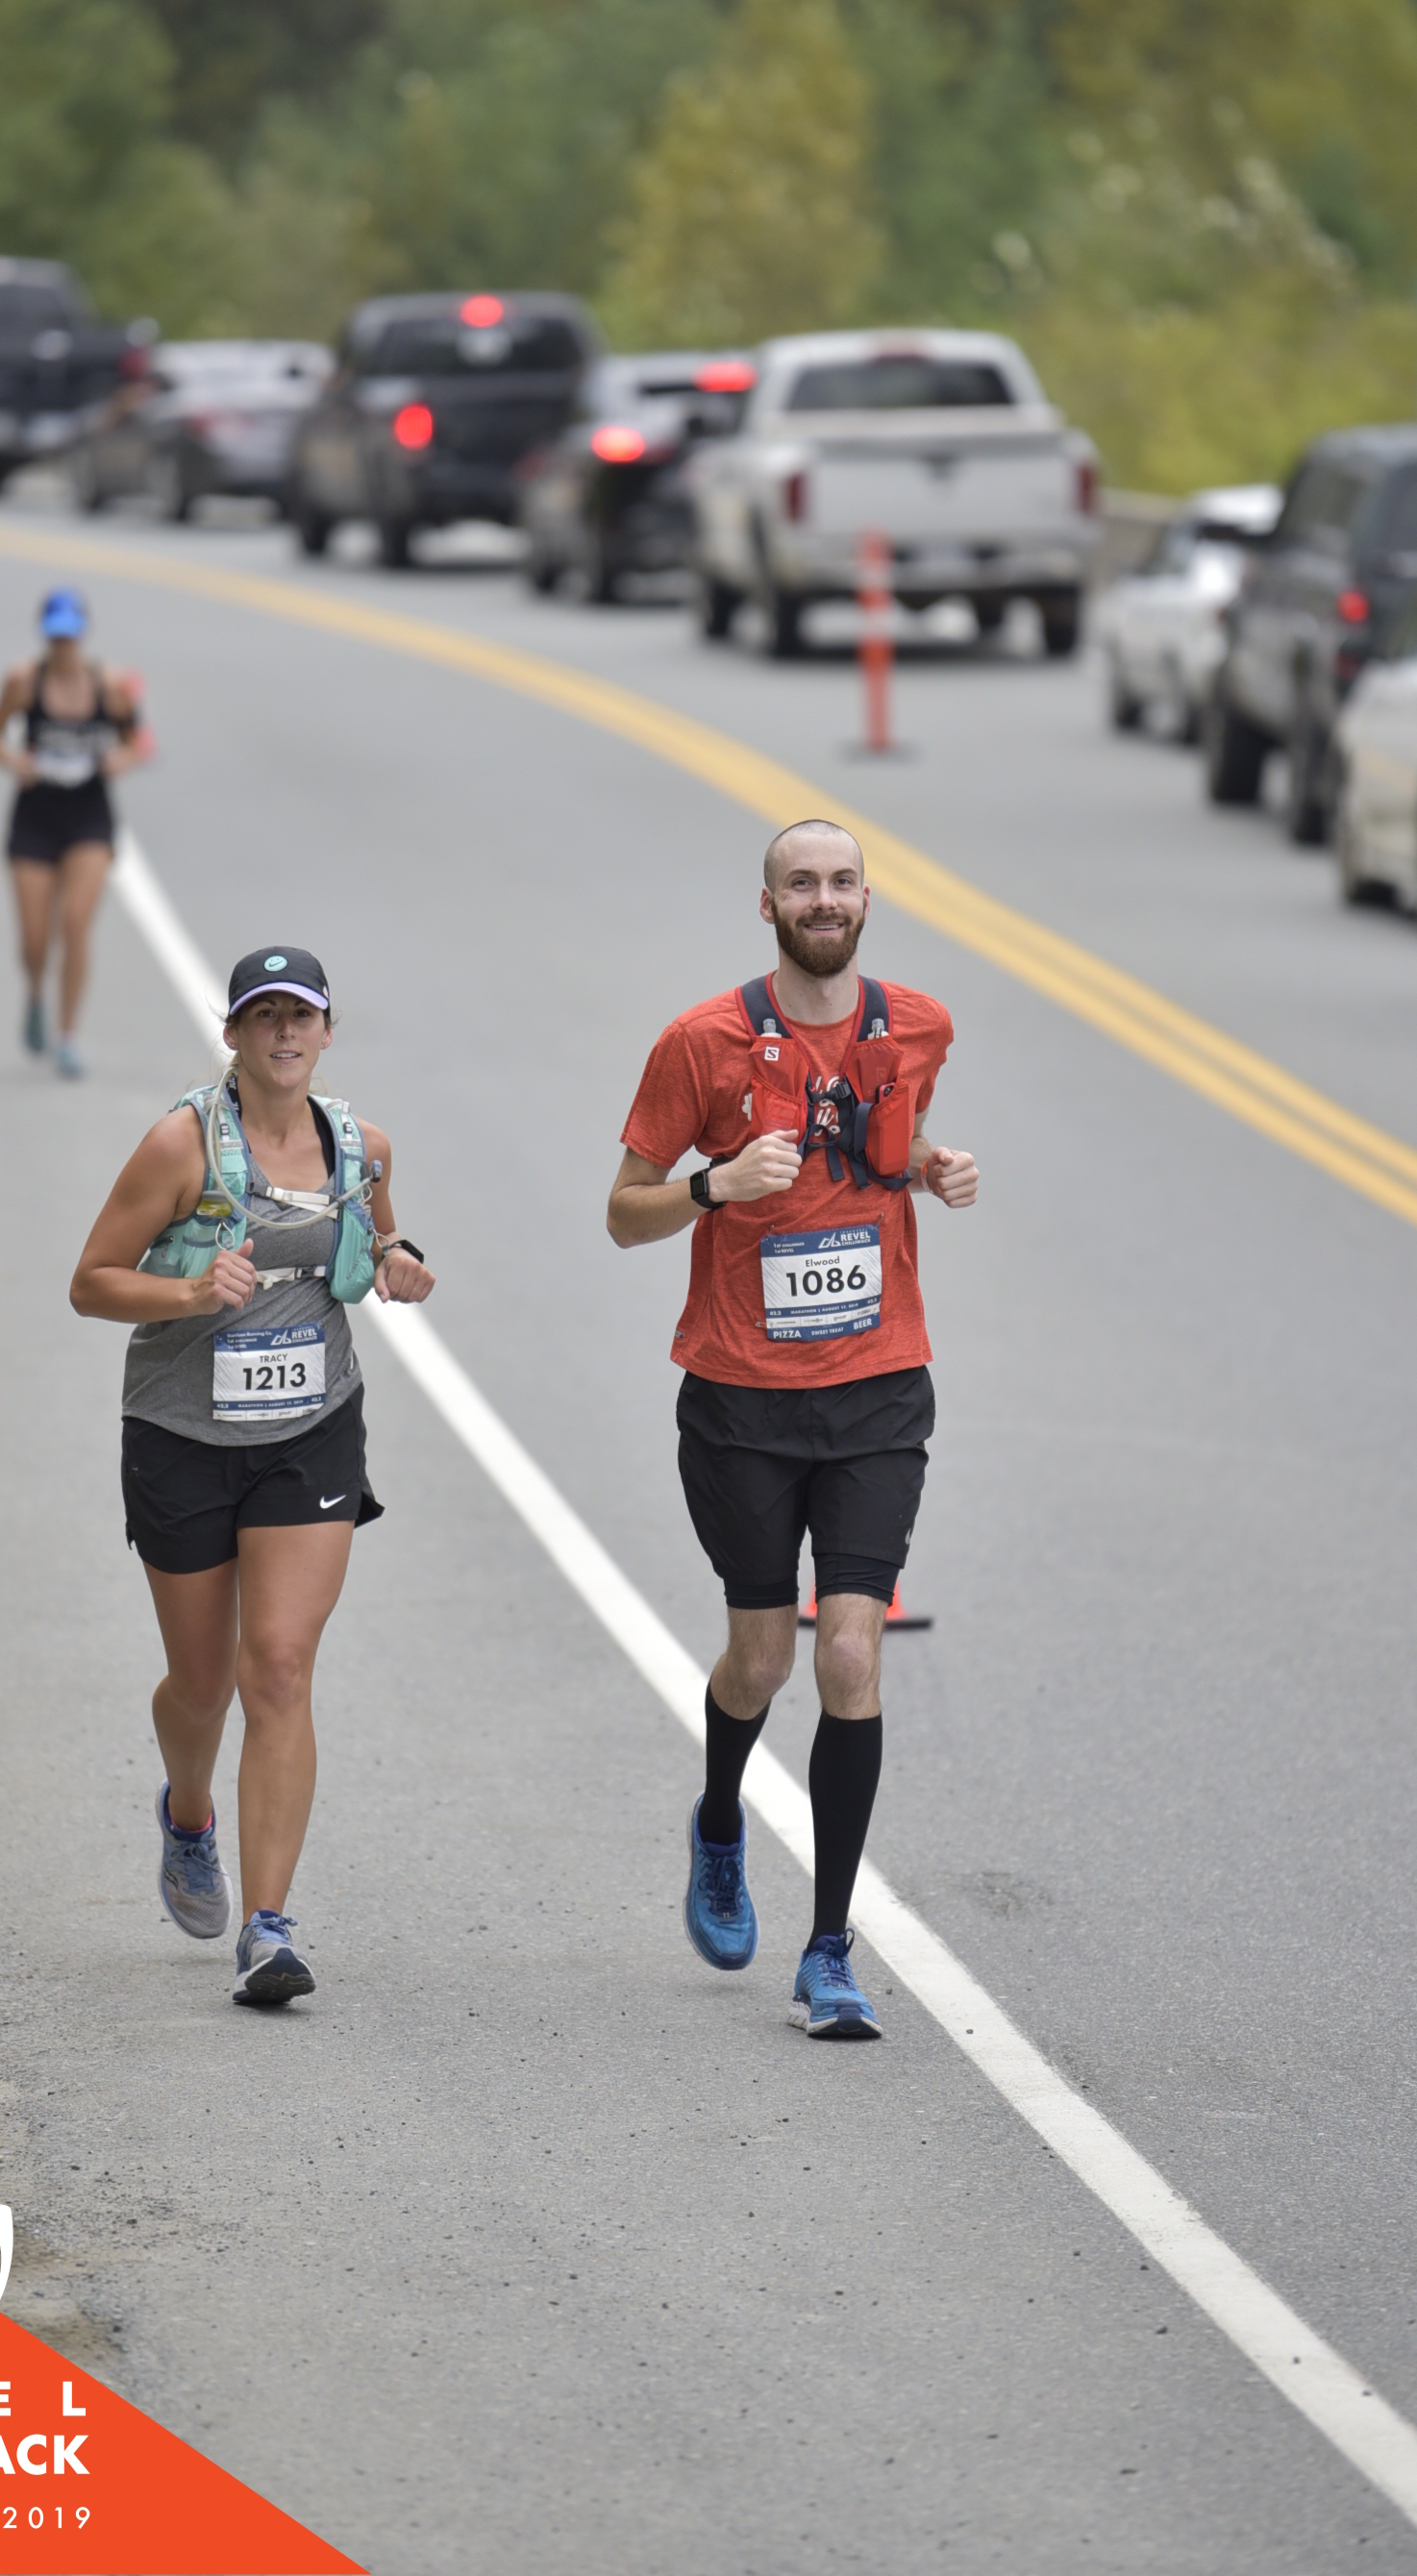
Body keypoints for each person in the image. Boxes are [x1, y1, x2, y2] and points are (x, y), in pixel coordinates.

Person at [608, 821, 976, 2039]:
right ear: (766, 905)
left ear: (868, 898)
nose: (825, 898)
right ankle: (721, 1820)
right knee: (762, 1660)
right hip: (742, 1402)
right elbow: (622, 1210)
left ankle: (828, 1950)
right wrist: (714, 1184)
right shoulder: (700, 1042)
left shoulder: (917, 1025)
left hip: (878, 1389)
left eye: (842, 881)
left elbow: (880, 1145)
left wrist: (931, 1166)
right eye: (801, 883)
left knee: (851, 1656)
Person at [69, 947, 435, 2007]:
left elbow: (382, 1232)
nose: (283, 1033)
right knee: (203, 1684)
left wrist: (401, 1260)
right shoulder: (180, 1145)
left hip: (308, 1429)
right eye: (263, 1016)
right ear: (231, 1034)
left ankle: (268, 1929)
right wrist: (190, 1294)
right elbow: (91, 1281)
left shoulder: (360, 1146)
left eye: (300, 1016)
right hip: (182, 1434)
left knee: (275, 1665)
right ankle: (188, 1813)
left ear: (326, 1032)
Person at [0, 586, 140, 1077]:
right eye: (55, 636)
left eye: (70, 636)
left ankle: (67, 1035)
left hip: (88, 816)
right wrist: (14, 761)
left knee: (75, 925)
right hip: (35, 815)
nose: (63, 645)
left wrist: (119, 759)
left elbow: (136, 739)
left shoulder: (109, 686)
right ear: (44, 635)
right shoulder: (23, 682)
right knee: (35, 939)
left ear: (83, 634)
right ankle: (35, 996)